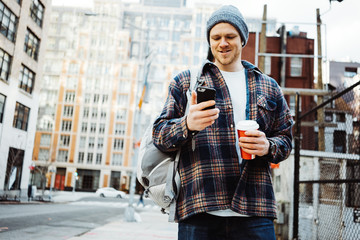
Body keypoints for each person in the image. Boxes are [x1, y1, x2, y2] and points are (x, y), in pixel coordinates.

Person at [153, 5, 294, 240]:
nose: (223, 43)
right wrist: (187, 125)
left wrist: (267, 146)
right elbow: (159, 135)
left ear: (243, 39)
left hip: (255, 209)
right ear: (209, 41)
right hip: (200, 207)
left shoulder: (268, 86)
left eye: (230, 36)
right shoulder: (186, 82)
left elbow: (286, 140)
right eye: (216, 37)